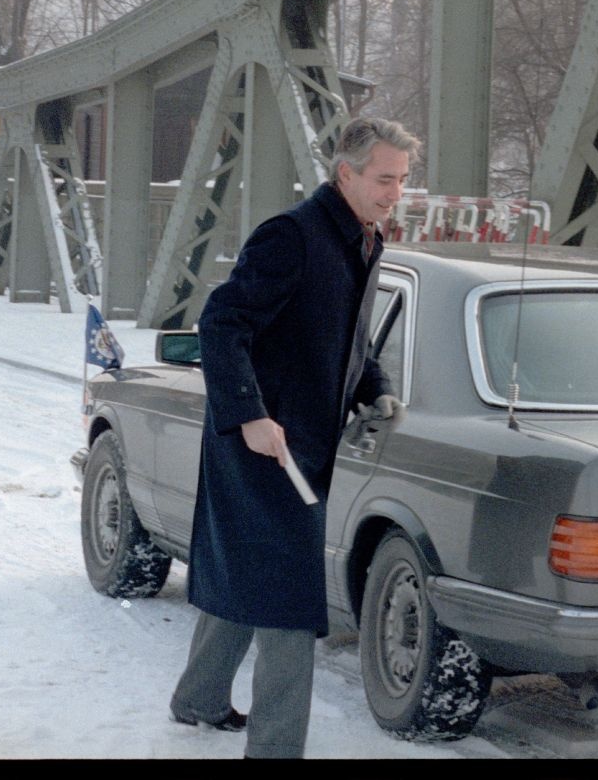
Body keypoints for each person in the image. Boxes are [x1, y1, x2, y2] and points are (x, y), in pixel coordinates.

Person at [170, 116, 417, 758]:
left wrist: (375, 386)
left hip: (307, 444)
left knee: (250, 570)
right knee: (289, 597)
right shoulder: (292, 236)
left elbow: (347, 341)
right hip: (262, 445)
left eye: (402, 180)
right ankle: (277, 749)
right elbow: (221, 327)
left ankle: (198, 699)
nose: (395, 192)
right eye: (385, 179)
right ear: (347, 174)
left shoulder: (365, 239)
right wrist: (250, 415)